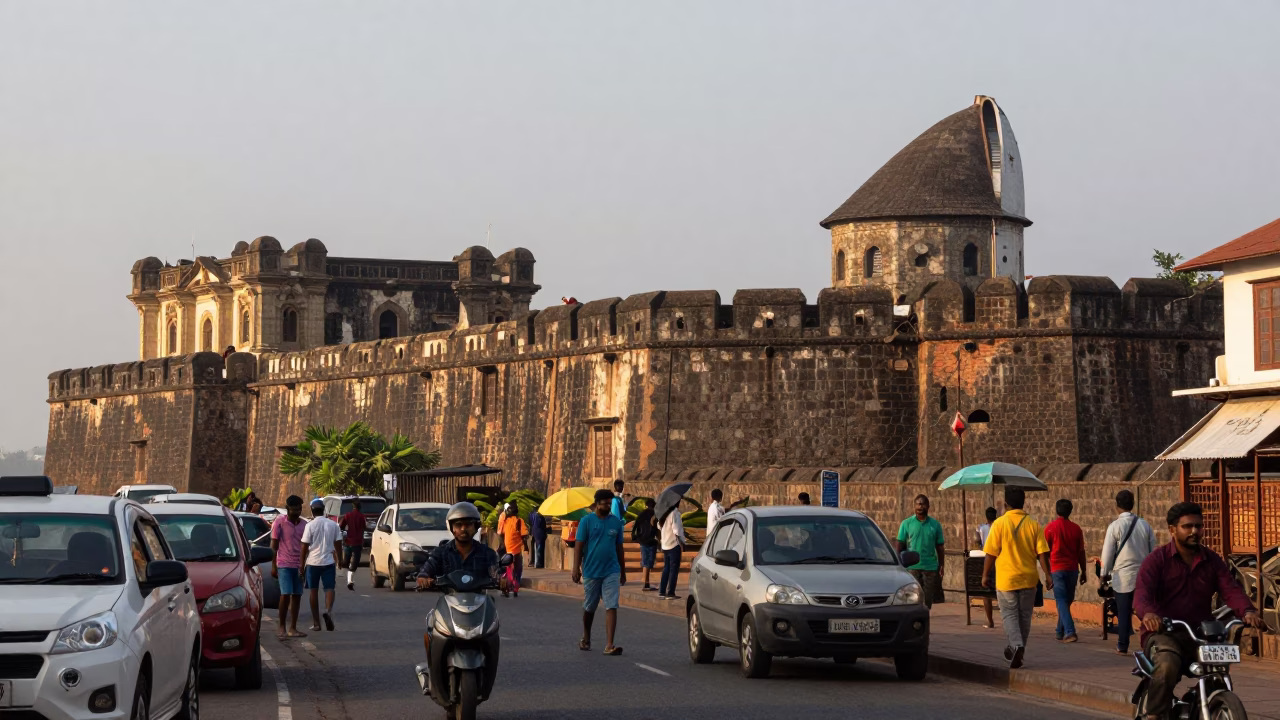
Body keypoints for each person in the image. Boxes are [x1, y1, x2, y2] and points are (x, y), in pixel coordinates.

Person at [1134, 502, 1266, 720]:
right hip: (1164, 634)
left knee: (1219, 668)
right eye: (1187, 527)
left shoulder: (1212, 560)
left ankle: (1205, 701)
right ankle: (1155, 715)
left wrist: (1247, 612)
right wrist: (1149, 614)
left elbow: (1230, 589)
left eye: (1198, 526)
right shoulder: (1156, 560)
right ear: (1172, 529)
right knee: (1167, 665)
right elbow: (1142, 593)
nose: (1194, 531)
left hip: (1201, 635)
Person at [982, 487, 1053, 669]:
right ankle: (1019, 654)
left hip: (1007, 580)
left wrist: (984, 575)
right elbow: (1042, 554)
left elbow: (990, 554)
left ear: (1006, 505)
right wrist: (1048, 575)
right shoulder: (1033, 524)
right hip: (1029, 579)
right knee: (1024, 617)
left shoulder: (998, 524)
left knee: (1009, 616)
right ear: (1024, 503)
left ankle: (1015, 646)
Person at [1100, 489, 1156, 655]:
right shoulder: (1145, 525)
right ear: (1132, 504)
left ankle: (1122, 644)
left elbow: (1108, 553)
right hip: (1143, 574)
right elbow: (1153, 551)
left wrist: (1104, 574)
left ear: (1117, 506)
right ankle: (1152, 640)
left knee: (1124, 611)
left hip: (1122, 577)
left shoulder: (1114, 526)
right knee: (1145, 610)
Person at [572, 489, 627, 655]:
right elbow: (579, 545)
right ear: (596, 504)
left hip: (611, 570)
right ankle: (586, 636)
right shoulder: (586, 521)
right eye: (605, 504)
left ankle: (610, 644)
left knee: (612, 605)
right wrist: (576, 568)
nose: (608, 506)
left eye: (610, 504)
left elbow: (619, 548)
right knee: (590, 607)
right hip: (591, 571)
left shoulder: (616, 522)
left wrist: (623, 571)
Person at [416, 502, 500, 587]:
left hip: (479, 598)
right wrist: (423, 577)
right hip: (449, 598)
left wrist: (502, 580)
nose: (463, 529)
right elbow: (428, 567)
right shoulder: (441, 553)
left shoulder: (487, 553)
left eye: (468, 524)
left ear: (476, 526)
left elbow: (496, 571)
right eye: (458, 525)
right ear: (451, 527)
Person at [1044, 498, 1087, 642]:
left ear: (1057, 511)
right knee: (1066, 600)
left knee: (1062, 600)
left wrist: (1047, 573)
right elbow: (1081, 552)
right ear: (1070, 511)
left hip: (1057, 569)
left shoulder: (1051, 528)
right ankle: (1059, 630)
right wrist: (1084, 571)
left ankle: (1069, 631)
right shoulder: (1076, 529)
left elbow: (1044, 552)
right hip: (1073, 569)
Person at [300, 499, 343, 631]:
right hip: (328, 561)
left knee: (313, 591)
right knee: (329, 588)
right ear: (323, 509)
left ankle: (316, 623)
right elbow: (338, 544)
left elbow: (304, 546)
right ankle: (328, 610)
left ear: (312, 511)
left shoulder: (310, 525)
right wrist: (340, 560)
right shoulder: (333, 525)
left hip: (313, 563)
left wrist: (301, 565)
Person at [896, 494, 945, 609]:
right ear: (914, 506)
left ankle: (924, 617)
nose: (920, 506)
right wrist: (899, 563)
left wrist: (942, 564)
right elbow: (900, 544)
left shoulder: (935, 525)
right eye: (918, 504)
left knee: (927, 601)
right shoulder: (906, 524)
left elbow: (940, 547)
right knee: (914, 598)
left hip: (930, 567)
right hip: (912, 567)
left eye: (923, 504)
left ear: (928, 506)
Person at [270, 495, 308, 638]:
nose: (297, 512)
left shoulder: (304, 525)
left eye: (299, 509)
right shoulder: (279, 522)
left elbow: (307, 547)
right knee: (285, 595)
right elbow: (274, 546)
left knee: (297, 596)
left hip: (299, 565)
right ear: (287, 509)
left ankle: (293, 627)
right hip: (284, 564)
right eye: (294, 510)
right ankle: (281, 627)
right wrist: (274, 565)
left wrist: (304, 566)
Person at [974, 506, 999, 628]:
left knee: (986, 593)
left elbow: (976, 540)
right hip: (999, 560)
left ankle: (990, 621)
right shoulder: (999, 526)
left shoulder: (980, 528)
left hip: (986, 559)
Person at [658, 502, 686, 599]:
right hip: (674, 544)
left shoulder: (664, 513)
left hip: (665, 544)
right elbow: (677, 530)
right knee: (674, 569)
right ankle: (670, 592)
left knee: (666, 568)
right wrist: (683, 542)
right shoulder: (675, 513)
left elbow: (659, 526)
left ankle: (662, 591)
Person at [499, 503, 528, 597]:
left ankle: (506, 588)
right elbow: (524, 535)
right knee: (518, 570)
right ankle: (515, 588)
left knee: (508, 570)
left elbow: (501, 532)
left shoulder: (506, 521)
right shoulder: (519, 521)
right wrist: (526, 546)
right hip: (517, 551)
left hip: (508, 550)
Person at [631, 498, 660, 591]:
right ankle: (646, 583)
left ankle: (645, 582)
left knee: (645, 561)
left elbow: (635, 526)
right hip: (651, 541)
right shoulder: (654, 515)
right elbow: (656, 527)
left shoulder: (641, 514)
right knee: (649, 562)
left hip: (642, 540)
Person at [338, 499, 365, 591]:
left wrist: (345, 533)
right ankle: (349, 580)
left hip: (348, 542)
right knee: (354, 563)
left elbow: (341, 526)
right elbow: (364, 527)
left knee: (346, 561)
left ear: (353, 507)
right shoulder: (361, 516)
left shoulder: (347, 515)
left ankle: (346, 576)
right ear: (360, 507)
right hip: (357, 543)